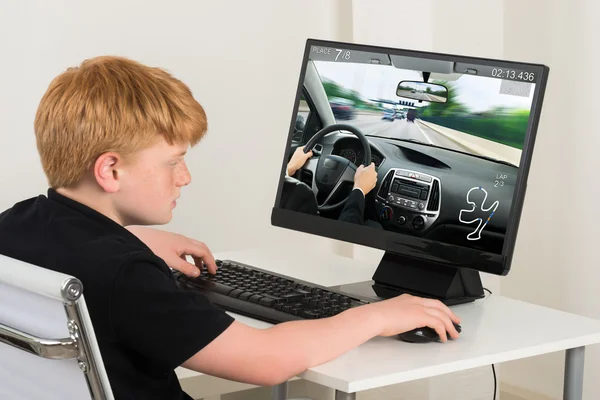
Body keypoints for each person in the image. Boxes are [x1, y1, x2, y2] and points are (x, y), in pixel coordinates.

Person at [0, 56, 460, 399]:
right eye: (174, 162)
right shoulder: (127, 276)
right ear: (111, 171)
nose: (185, 177)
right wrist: (378, 314)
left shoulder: (16, 224)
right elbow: (265, 362)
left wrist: (134, 239)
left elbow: (72, 242)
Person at [281, 146, 378, 225]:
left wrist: (289, 168)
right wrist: (359, 188)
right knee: (375, 226)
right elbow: (345, 234)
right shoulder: (301, 191)